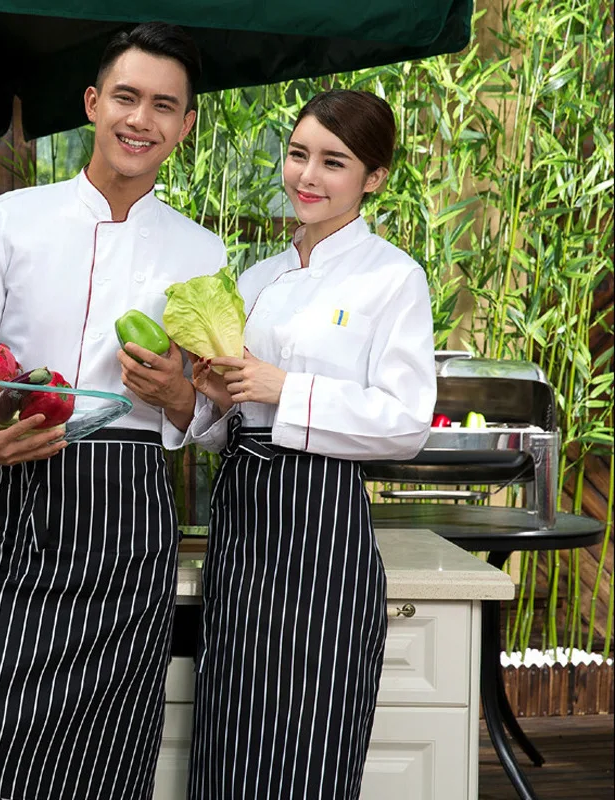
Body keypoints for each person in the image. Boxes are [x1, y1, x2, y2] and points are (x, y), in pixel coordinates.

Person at [0, 22, 226, 800]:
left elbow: (218, 410)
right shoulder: (10, 221)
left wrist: (180, 398)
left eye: (163, 105)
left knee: (103, 765)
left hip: (130, 517)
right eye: (125, 97)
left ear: (185, 127)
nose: (139, 120)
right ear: (92, 103)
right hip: (28, 496)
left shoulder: (204, 253)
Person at [185, 89, 437, 800]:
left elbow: (405, 421)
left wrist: (280, 386)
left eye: (334, 161)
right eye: (299, 155)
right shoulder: (256, 279)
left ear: (375, 177)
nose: (308, 176)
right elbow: (226, 420)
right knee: (229, 733)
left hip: (321, 529)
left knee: (310, 737)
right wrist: (199, 397)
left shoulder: (393, 278)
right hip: (241, 522)